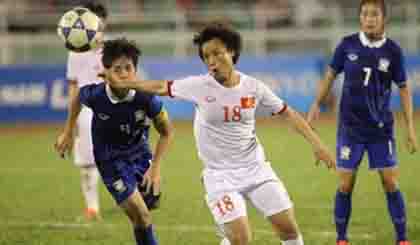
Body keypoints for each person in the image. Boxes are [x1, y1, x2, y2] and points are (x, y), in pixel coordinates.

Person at [107, 22, 335, 245]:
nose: (212, 61)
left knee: (289, 230)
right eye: (206, 57)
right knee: (241, 238)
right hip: (219, 176)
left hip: (257, 169)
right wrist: (128, 83)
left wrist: (318, 144)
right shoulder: (199, 85)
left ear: (232, 52)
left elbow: (288, 113)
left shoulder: (253, 87)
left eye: (217, 53)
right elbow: (159, 87)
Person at [306, 1, 418, 245]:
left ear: (383, 18)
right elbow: (329, 75)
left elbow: (404, 89)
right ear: (360, 18)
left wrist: (410, 128)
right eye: (365, 14)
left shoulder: (393, 51)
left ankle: (402, 239)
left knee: (390, 182)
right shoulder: (347, 45)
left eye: (374, 14)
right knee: (345, 184)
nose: (369, 18)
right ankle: (342, 239)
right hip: (350, 129)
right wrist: (316, 104)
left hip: (381, 130)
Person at [55, 38, 173, 245]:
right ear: (105, 72)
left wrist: (155, 167)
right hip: (110, 161)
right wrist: (67, 131)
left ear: (135, 71)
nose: (124, 73)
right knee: (143, 215)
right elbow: (77, 99)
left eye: (129, 68)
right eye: (117, 69)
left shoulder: (146, 98)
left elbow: (167, 132)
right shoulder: (97, 94)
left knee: (142, 215)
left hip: (140, 155)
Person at [65, 1, 108, 221]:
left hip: (113, 108)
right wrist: (69, 126)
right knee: (88, 162)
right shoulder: (75, 53)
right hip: (85, 110)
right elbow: (73, 87)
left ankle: (137, 196)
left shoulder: (112, 49)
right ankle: (92, 208)